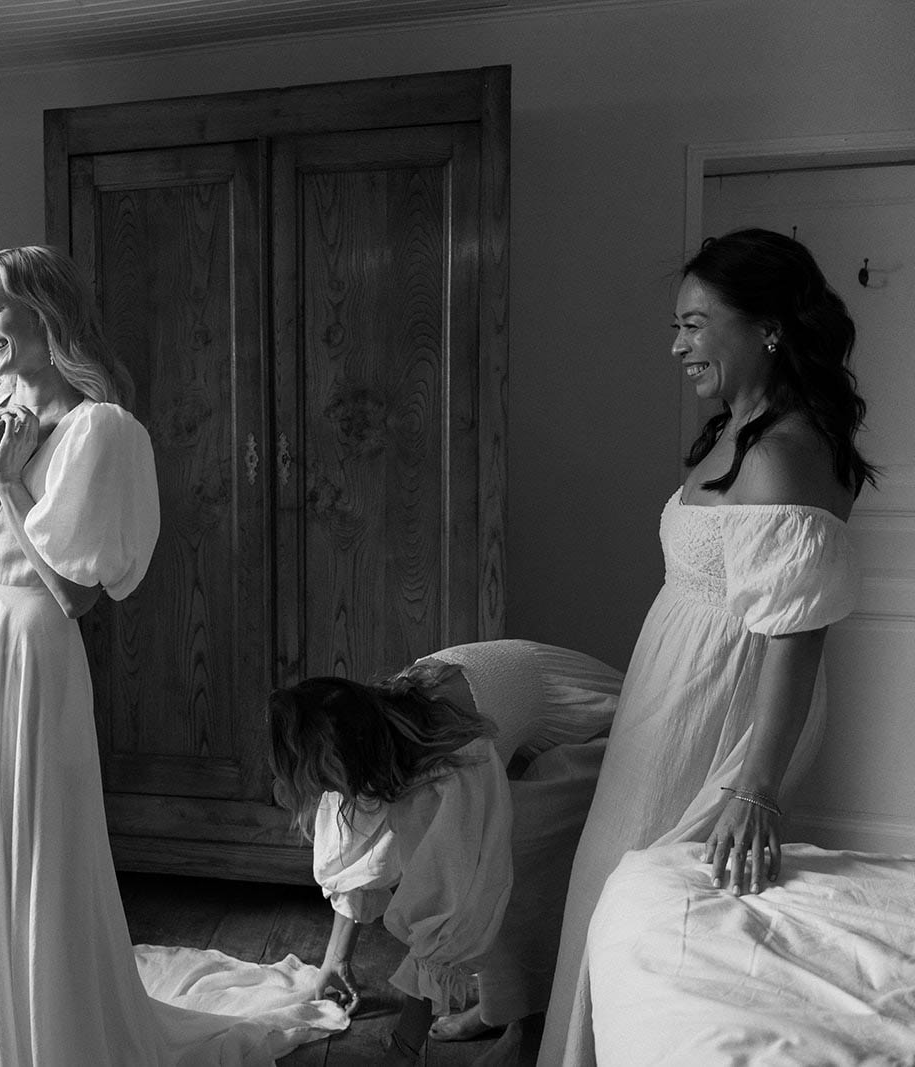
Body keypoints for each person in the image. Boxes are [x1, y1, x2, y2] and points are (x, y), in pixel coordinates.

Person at [0, 246, 342, 1065]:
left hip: (30, 651)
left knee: (32, 846)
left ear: (46, 313)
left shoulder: (102, 430)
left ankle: (45, 1029)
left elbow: (76, 595)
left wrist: (17, 482)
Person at [539, 229, 872, 1066]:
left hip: (724, 711)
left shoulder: (785, 455)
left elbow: (795, 635)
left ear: (766, 328)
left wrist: (755, 787)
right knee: (609, 890)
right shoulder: (740, 430)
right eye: (676, 326)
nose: (677, 344)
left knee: (647, 904)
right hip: (675, 697)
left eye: (694, 323)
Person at [269, 641, 622, 1066]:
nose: (325, 793)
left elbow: (453, 907)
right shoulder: (371, 722)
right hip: (526, 734)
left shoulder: (450, 758)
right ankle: (497, 1008)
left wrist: (403, 1048)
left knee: (508, 863)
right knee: (497, 843)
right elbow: (362, 851)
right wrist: (336, 959)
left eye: (325, 781)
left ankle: (527, 1030)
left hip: (605, 728)